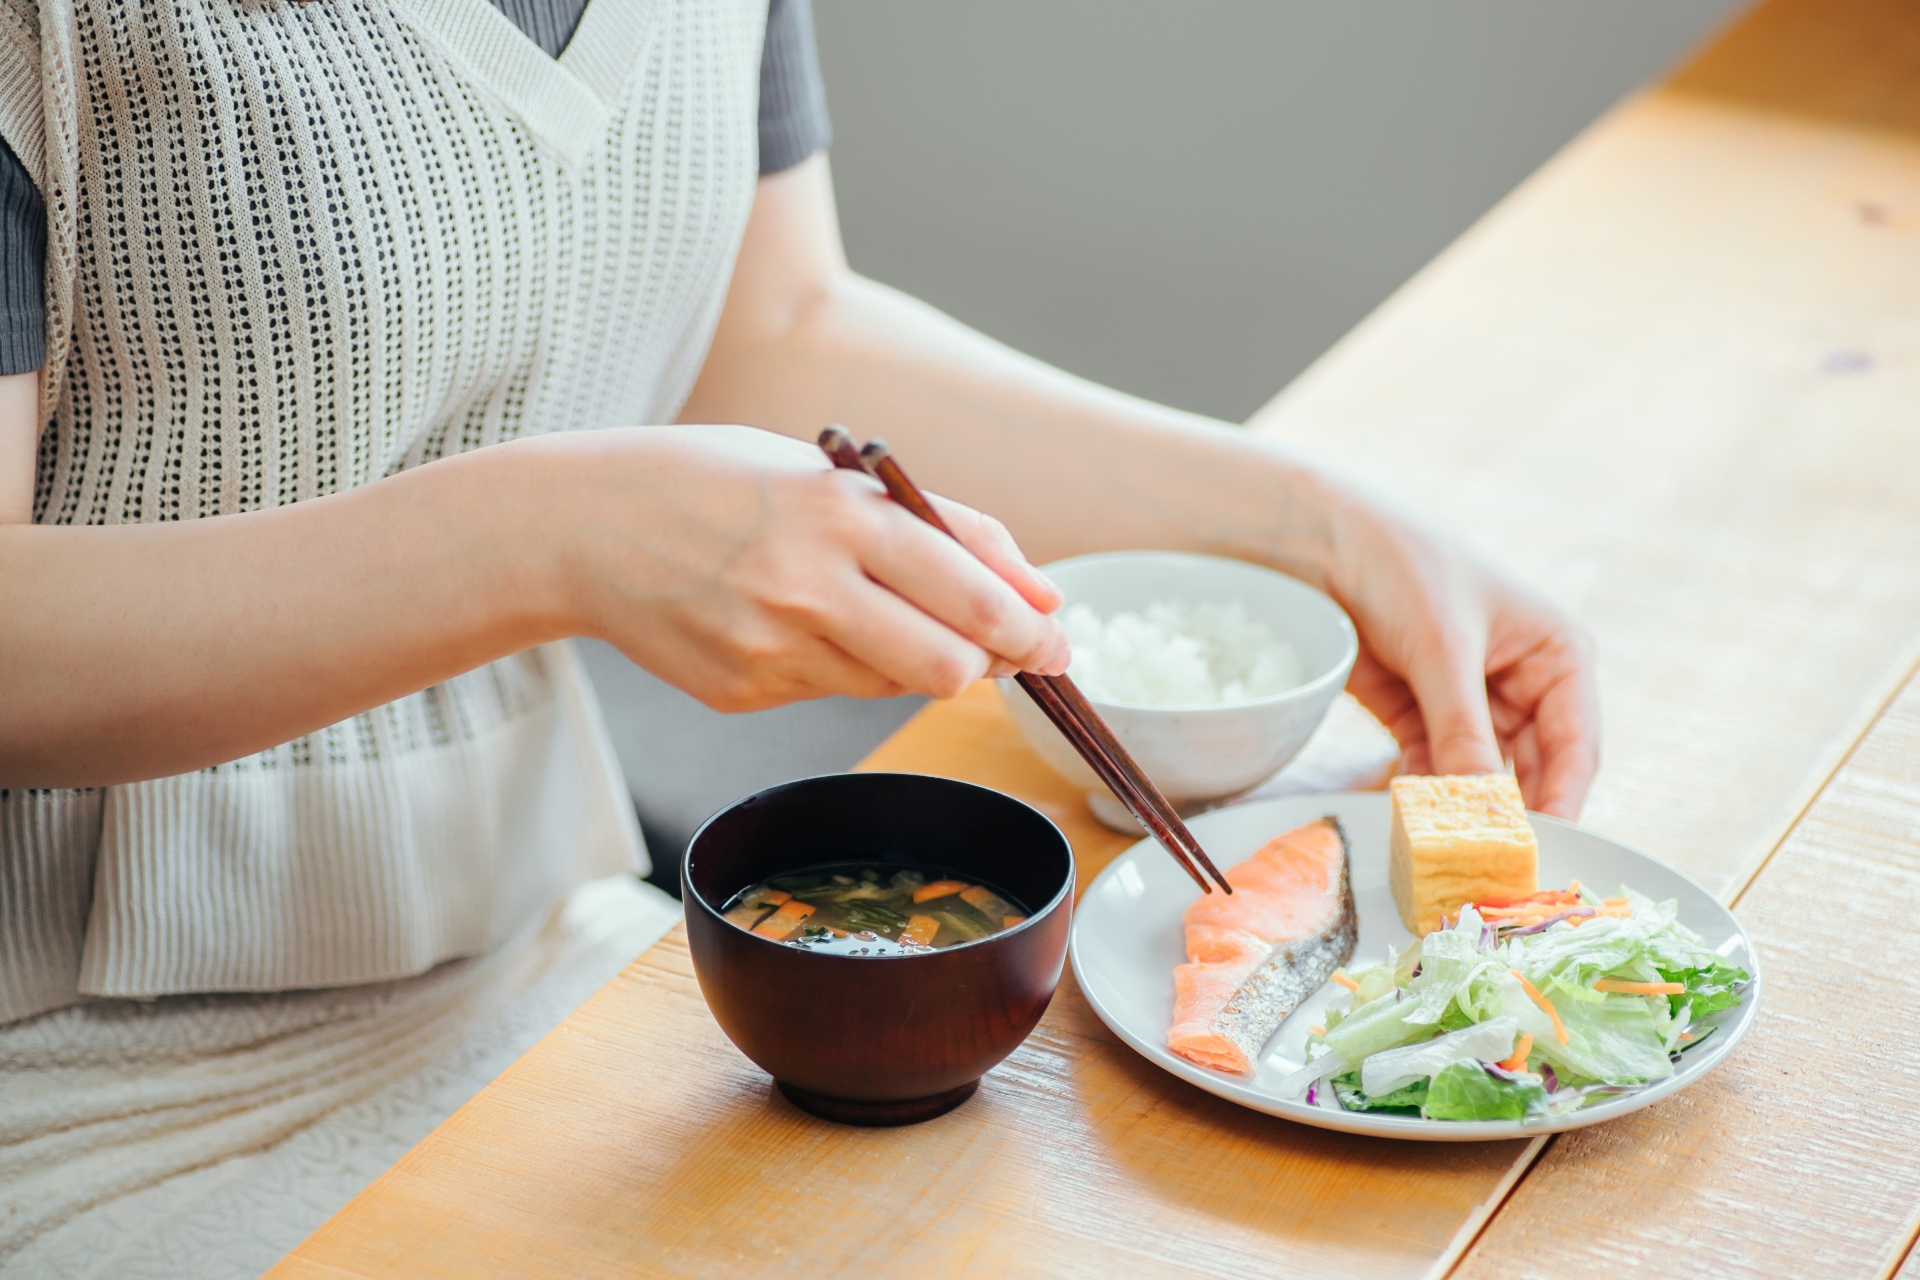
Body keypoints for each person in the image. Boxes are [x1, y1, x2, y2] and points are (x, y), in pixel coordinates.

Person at [0, 0, 1597, 1271]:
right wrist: (549, 537)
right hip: (70, 1091)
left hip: (545, 965)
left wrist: (1317, 521)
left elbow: (763, 333)